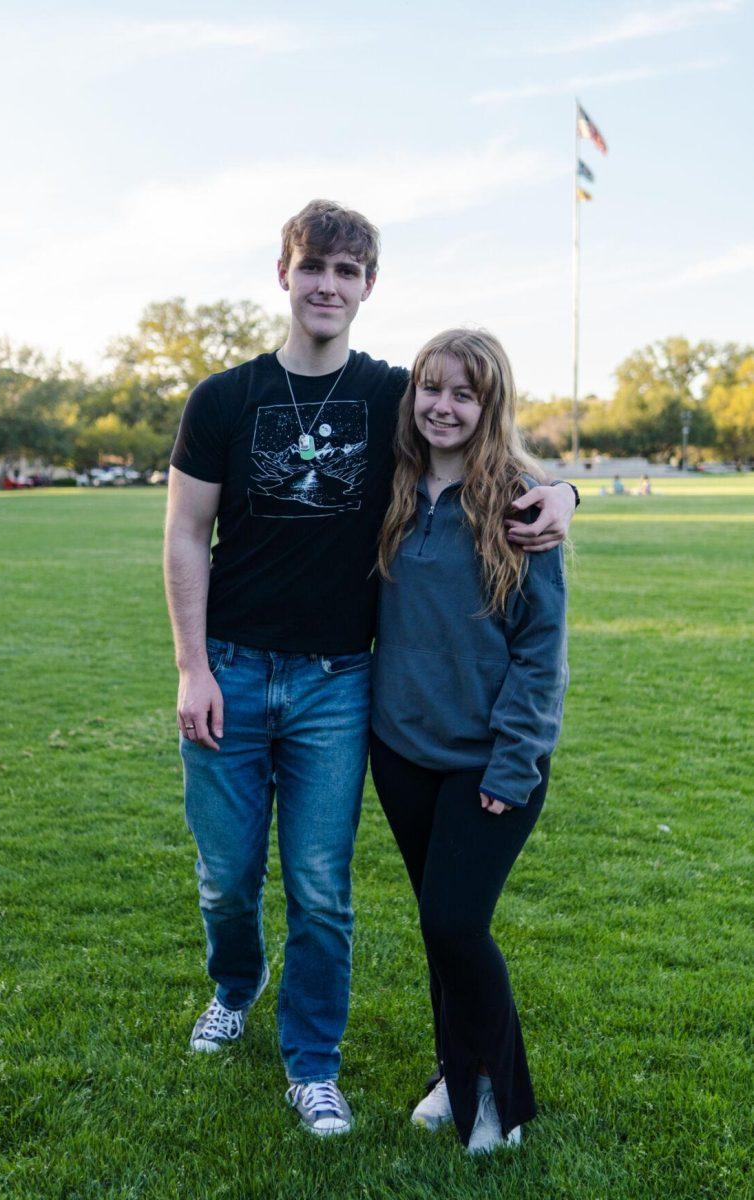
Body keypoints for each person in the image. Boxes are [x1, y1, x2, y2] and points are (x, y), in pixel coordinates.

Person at [163, 201, 578, 1137]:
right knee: (227, 877)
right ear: (284, 273)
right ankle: (236, 985)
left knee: (319, 883)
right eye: (313, 267)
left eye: (347, 273)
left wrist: (564, 491)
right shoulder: (223, 400)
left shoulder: (392, 391)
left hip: (338, 685)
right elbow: (186, 533)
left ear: (367, 288)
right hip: (229, 669)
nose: (327, 286)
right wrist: (194, 667)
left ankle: (314, 1065)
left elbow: (483, 429)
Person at [370, 328, 568, 1155]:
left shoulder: (520, 503)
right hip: (402, 752)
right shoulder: (393, 485)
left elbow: (540, 648)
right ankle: (455, 1075)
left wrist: (513, 761)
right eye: (431, 389)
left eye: (464, 394)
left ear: (490, 405)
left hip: (491, 761)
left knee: (456, 924)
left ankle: (499, 1101)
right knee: (438, 928)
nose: (443, 406)